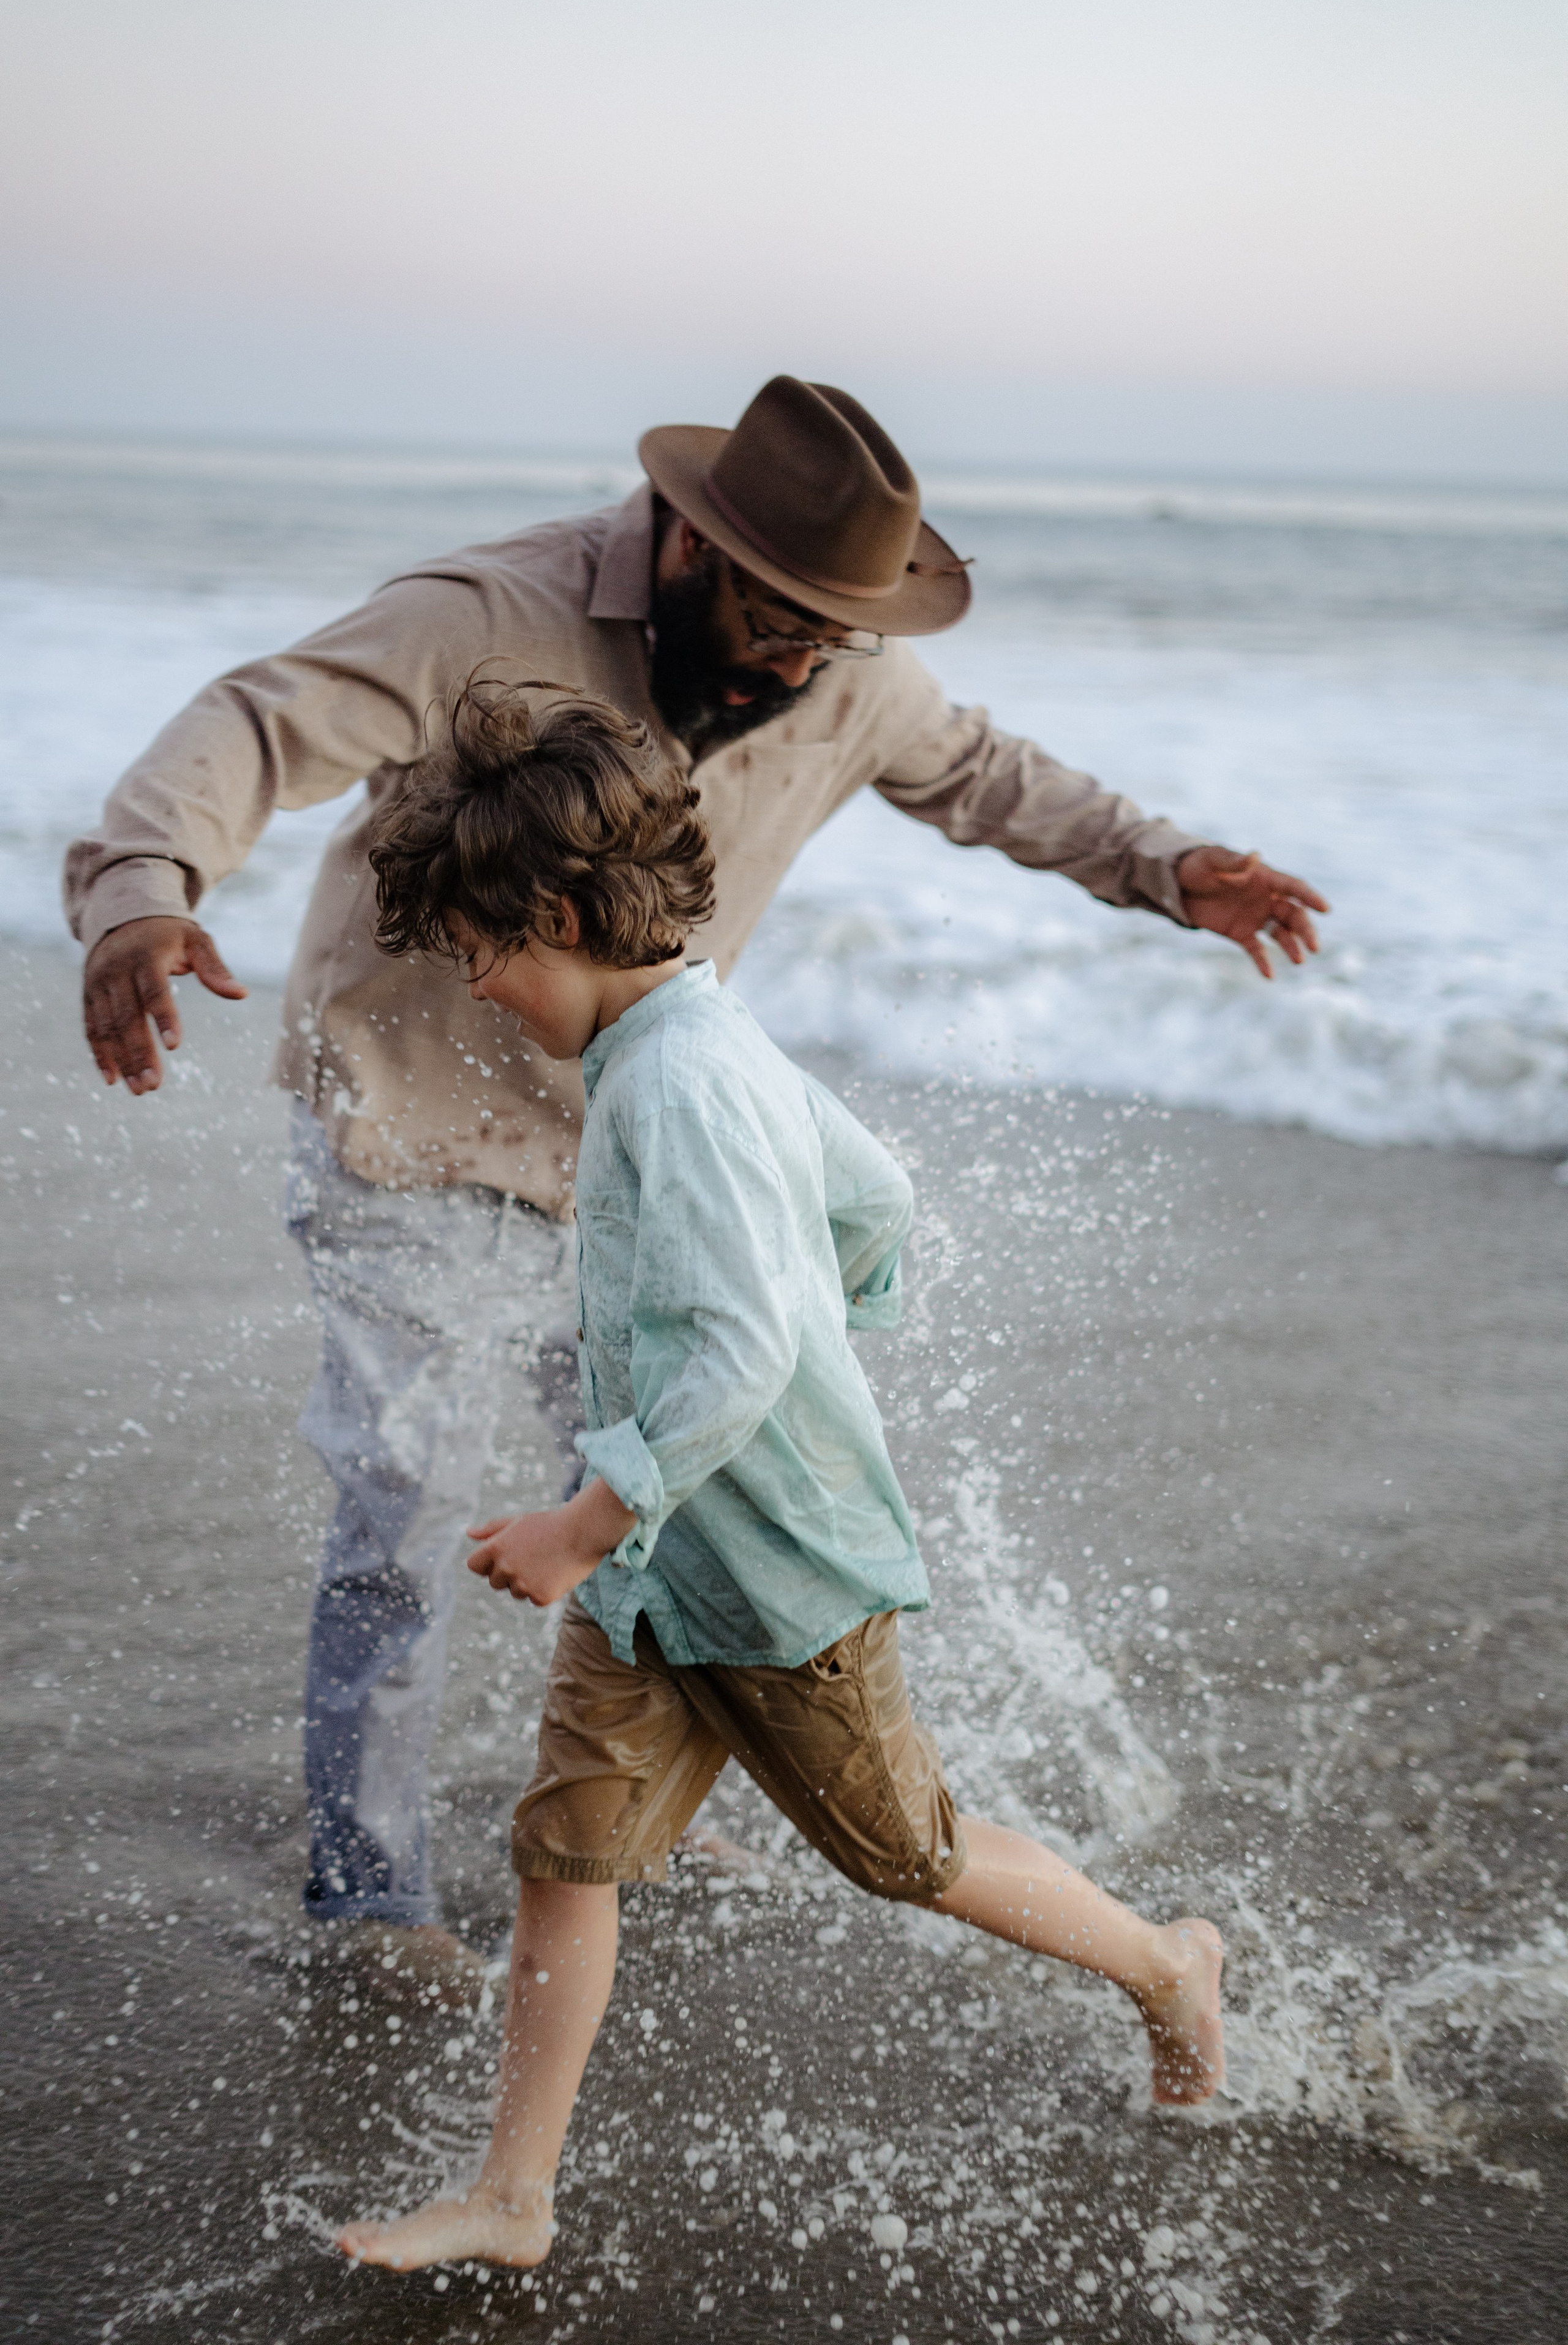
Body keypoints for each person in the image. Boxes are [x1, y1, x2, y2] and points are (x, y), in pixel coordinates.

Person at [64, 375, 1322, 2006]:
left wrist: (1164, 867)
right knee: (411, 1507)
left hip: (632, 1141)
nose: (802, 659)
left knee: (671, 1498)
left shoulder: (850, 672)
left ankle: (643, 1807)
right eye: (776, 617)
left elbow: (987, 778)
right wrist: (142, 895)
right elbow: (254, 721)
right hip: (409, 1116)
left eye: (831, 635)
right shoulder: (486, 615)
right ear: (685, 545)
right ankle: (369, 1901)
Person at [334, 676, 1224, 2273]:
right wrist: (837, 1314)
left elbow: (738, 1355)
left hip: (772, 1574)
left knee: (910, 1853)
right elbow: (874, 1193)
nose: (473, 985)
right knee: (568, 1854)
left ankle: (1164, 1964)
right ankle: (513, 2200)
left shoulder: (675, 1089)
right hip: (657, 1574)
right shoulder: (698, 1029)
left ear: (559, 910)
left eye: (480, 947)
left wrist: (583, 1517)